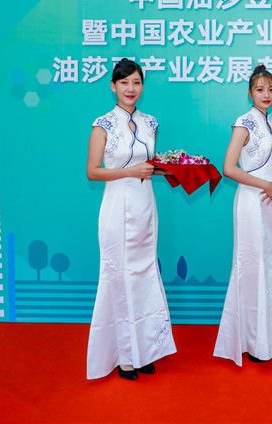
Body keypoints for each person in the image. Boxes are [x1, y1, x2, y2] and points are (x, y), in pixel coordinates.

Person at [85, 59, 176, 381]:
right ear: (113, 86)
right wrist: (130, 171)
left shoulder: (151, 123)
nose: (130, 89)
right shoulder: (103, 125)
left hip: (145, 206)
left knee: (144, 274)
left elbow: (148, 165)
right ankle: (125, 356)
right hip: (116, 208)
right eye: (124, 83)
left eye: (136, 82)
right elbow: (93, 171)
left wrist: (177, 169)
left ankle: (145, 350)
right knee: (120, 277)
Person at [214, 64, 272, 365]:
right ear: (250, 93)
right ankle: (247, 340)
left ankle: (265, 338)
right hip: (250, 201)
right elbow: (229, 168)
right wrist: (265, 186)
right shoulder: (243, 123)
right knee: (249, 265)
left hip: (270, 202)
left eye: (271, 89)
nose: (266, 94)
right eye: (260, 89)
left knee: (265, 264)